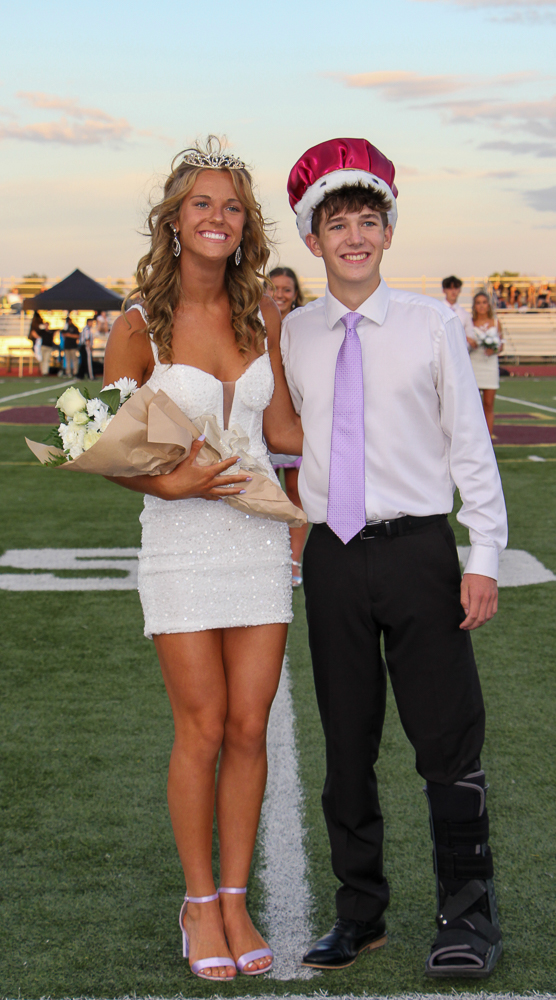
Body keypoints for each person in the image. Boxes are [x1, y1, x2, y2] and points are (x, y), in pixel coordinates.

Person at [281, 137, 507, 978]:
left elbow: (469, 447)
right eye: (336, 223)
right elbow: (291, 440)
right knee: (346, 743)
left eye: (368, 220)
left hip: (418, 550)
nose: (353, 237)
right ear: (313, 238)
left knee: (446, 738)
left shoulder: (431, 325)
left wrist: (482, 552)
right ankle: (360, 913)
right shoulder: (297, 333)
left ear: (387, 230)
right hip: (335, 560)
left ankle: (470, 916)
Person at [102, 138, 301, 982]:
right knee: (204, 727)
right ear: (176, 222)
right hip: (181, 544)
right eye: (202, 206)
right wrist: (175, 486)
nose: (218, 218)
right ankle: (195, 906)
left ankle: (233, 897)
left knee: (251, 727)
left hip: (257, 541)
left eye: (232, 207)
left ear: (244, 226)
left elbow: (284, 433)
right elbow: (103, 442)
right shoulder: (137, 322)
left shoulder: (265, 318)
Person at [268, 266, 309, 586]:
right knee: (267, 492)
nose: (279, 294)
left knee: (296, 491)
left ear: (295, 294)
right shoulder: (251, 321)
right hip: (260, 417)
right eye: (273, 288)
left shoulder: (303, 327)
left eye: (286, 289)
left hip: (296, 415)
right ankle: (270, 560)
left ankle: (294, 561)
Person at [468, 291, 503, 437]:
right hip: (474, 366)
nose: (481, 306)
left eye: (484, 302)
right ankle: (473, 438)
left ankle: (487, 440)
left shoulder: (495, 322)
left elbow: (502, 345)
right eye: (478, 303)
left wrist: (494, 348)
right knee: (473, 406)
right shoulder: (469, 323)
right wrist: (471, 342)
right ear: (474, 306)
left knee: (488, 404)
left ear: (488, 305)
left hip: (490, 366)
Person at [441, 276, 474, 347]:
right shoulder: (437, 310)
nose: (453, 291)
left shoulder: (465, 314)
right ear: (444, 290)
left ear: (459, 290)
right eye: (450, 288)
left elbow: (470, 336)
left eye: (456, 288)